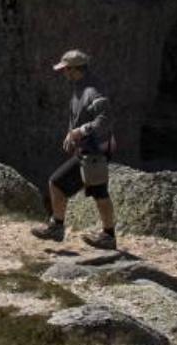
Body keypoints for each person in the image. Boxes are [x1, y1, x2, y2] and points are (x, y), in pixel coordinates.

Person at [31, 49, 118, 250]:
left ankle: (108, 236)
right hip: (86, 151)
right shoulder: (80, 87)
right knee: (57, 183)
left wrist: (80, 131)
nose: (63, 73)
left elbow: (105, 120)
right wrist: (71, 134)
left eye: (65, 69)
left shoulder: (92, 91)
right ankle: (57, 227)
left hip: (95, 152)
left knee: (99, 193)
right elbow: (79, 117)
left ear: (74, 70)